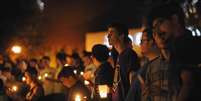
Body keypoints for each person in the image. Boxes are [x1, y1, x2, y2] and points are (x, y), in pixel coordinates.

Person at [146, 2, 201, 100]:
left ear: (175, 20)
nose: (157, 32)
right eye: (154, 28)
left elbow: (188, 84)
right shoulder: (176, 48)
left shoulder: (185, 45)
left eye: (161, 22)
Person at [107, 22, 140, 100]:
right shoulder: (119, 56)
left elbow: (134, 82)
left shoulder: (129, 54)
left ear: (121, 36)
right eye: (108, 33)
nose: (108, 36)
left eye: (111, 33)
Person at [125, 28, 159, 101]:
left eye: (142, 41)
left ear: (152, 42)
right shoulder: (147, 65)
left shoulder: (156, 66)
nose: (140, 44)